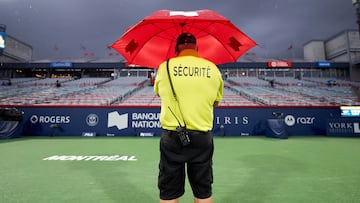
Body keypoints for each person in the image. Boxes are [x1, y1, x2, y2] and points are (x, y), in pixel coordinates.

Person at [154, 33, 223, 203]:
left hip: (172, 136)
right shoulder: (212, 68)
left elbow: (159, 93)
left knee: (169, 192)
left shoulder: (165, 67)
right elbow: (216, 102)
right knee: (203, 191)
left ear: (176, 48)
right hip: (202, 137)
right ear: (197, 47)